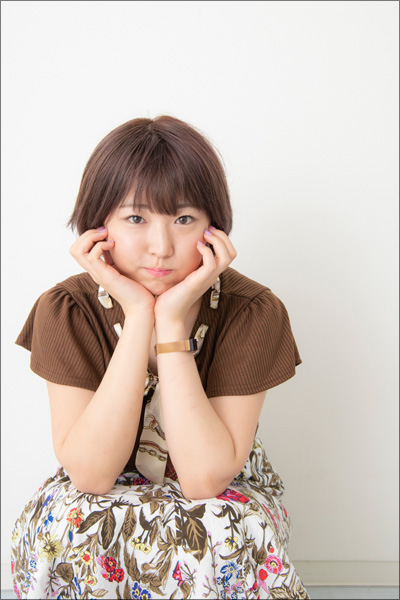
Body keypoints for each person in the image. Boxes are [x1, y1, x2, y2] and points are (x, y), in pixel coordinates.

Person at [11, 115, 309, 599]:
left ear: (213, 227)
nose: (161, 247)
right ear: (99, 225)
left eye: (184, 219)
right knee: (73, 520)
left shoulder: (252, 310)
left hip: (220, 482)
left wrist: (169, 323)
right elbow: (91, 473)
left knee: (221, 526)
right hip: (102, 483)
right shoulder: (67, 308)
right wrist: (136, 315)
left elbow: (204, 479)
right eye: (136, 219)